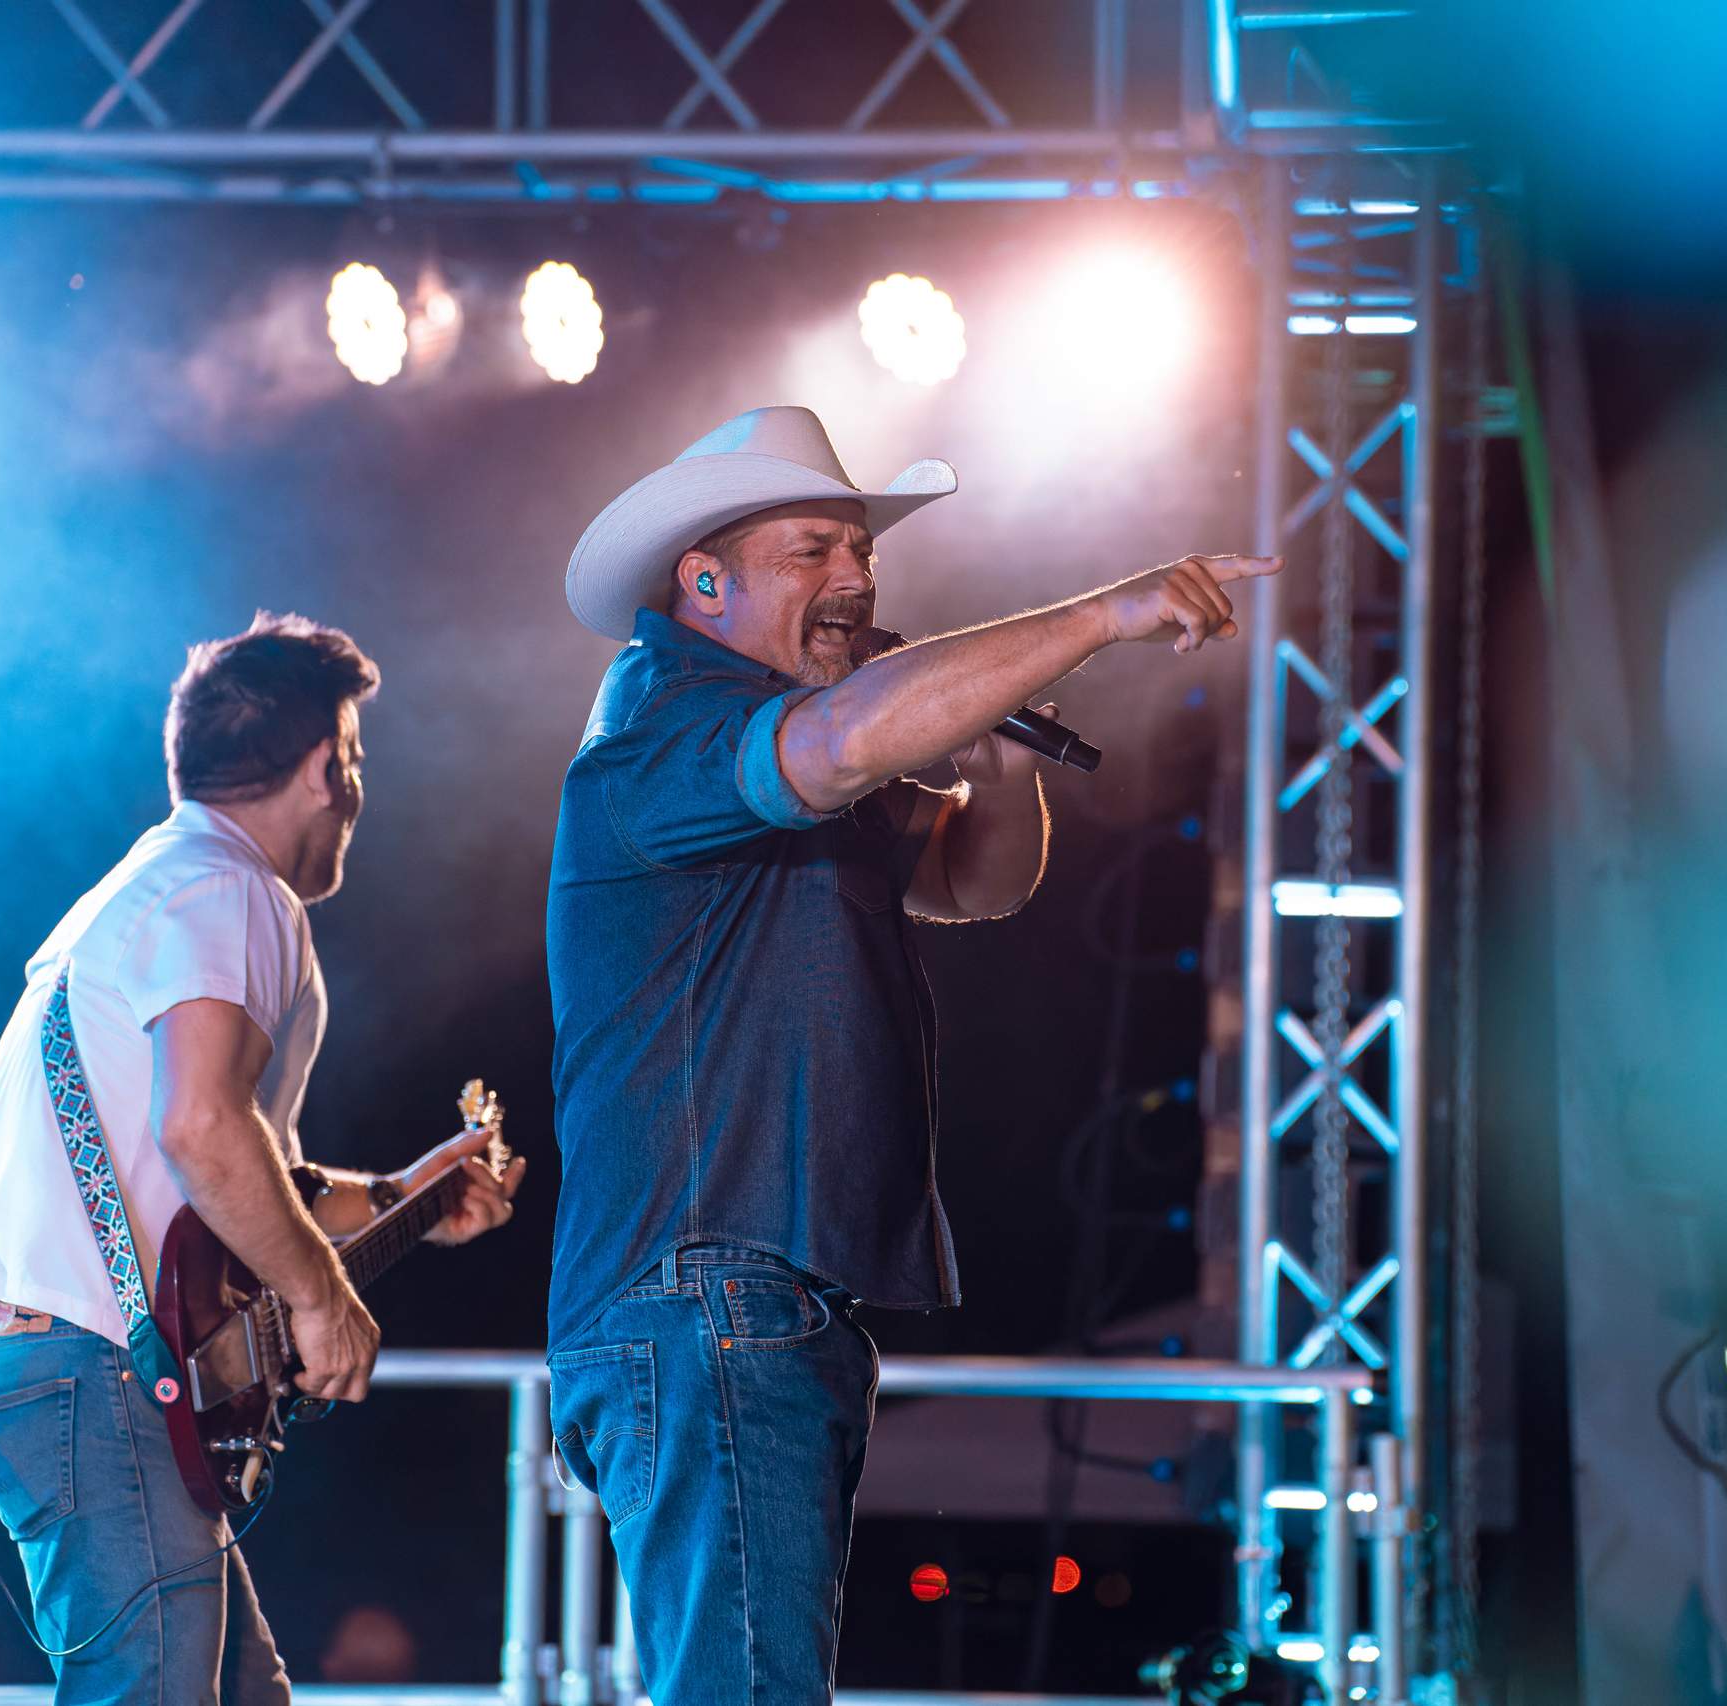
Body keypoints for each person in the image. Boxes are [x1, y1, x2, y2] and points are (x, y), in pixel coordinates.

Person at [544, 405, 1275, 1703]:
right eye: (815, 548)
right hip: (709, 1285)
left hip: (754, 1296)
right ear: (703, 582)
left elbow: (973, 883)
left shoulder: (779, 737)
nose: (858, 578)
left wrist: (991, 755)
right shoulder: (672, 728)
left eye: (861, 551)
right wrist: (1103, 612)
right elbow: (844, 745)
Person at [0, 612, 524, 1704]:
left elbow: (238, 1187)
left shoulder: (156, 882)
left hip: (51, 1353)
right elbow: (203, 1127)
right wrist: (322, 1298)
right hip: (84, 1363)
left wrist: (411, 1196)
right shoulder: (230, 887)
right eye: (353, 761)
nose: (355, 791)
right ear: (323, 767)